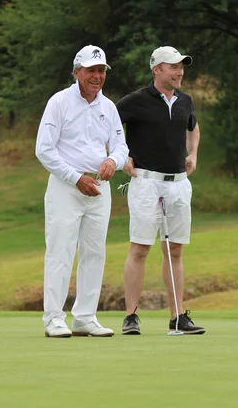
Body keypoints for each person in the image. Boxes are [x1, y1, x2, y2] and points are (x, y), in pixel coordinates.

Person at [36, 45, 129, 338]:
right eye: (91, 70)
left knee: (94, 252)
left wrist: (113, 161)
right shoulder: (59, 102)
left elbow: (121, 146)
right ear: (77, 72)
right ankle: (53, 317)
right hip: (66, 186)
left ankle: (85, 317)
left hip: (99, 188)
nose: (97, 76)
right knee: (60, 250)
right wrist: (76, 179)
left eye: (101, 71)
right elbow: (44, 150)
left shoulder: (108, 107)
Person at [116, 46, 206, 335]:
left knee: (175, 249)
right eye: (173, 67)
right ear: (157, 69)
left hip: (179, 183)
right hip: (145, 182)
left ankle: (178, 316)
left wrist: (193, 154)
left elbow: (193, 127)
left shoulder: (185, 101)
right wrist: (120, 156)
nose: (179, 72)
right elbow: (106, 125)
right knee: (140, 248)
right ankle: (131, 316)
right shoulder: (136, 101)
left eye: (181, 66)